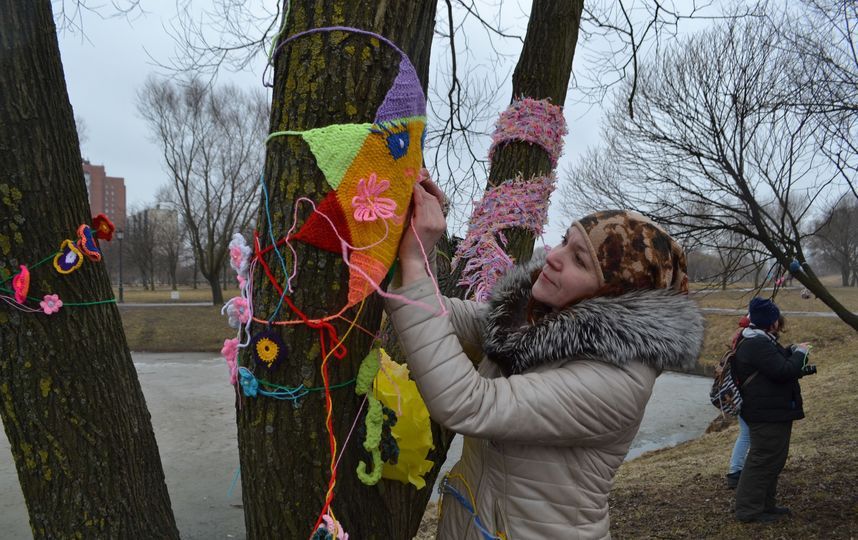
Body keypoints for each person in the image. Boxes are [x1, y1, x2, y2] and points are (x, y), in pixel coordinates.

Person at [385, 179, 704, 539]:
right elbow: (445, 315)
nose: (553, 255)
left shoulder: (618, 383)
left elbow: (470, 404)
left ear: (614, 294)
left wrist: (413, 266)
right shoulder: (538, 319)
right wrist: (407, 248)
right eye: (567, 241)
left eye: (579, 259)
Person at [733, 298, 809, 523]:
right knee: (762, 459)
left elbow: (775, 364)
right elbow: (782, 371)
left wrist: (791, 351)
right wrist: (800, 355)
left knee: (773, 459)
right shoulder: (757, 343)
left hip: (772, 410)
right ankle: (748, 511)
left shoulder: (759, 339)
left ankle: (766, 505)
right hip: (765, 413)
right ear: (771, 322)